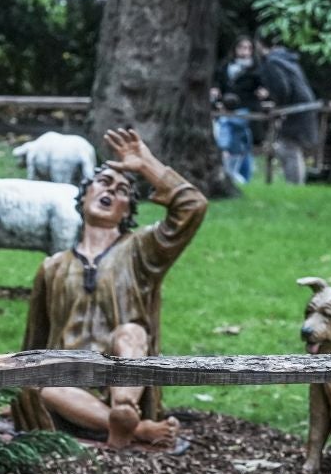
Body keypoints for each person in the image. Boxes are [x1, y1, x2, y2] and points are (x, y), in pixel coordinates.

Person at [12, 127, 206, 451]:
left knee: (131, 332)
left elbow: (193, 207)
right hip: (67, 388)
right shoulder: (52, 267)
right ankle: (137, 429)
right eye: (103, 183)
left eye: (122, 191)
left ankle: (125, 411)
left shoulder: (141, 249)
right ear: (84, 194)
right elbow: (33, 345)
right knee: (45, 381)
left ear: (127, 210)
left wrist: (146, 165)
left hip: (122, 378)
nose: (111, 191)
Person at [255, 37, 319, 185]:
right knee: (291, 147)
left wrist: (279, 107)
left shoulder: (272, 62)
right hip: (304, 106)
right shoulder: (286, 59)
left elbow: (282, 88)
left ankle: (295, 184)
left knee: (287, 147)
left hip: (296, 109)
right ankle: (297, 184)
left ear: (259, 44)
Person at [212, 35, 258, 186]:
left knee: (240, 143)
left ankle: (243, 176)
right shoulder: (226, 66)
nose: (245, 51)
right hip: (226, 107)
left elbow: (260, 85)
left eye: (248, 48)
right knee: (227, 137)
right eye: (241, 47)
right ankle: (233, 175)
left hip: (244, 109)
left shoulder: (255, 68)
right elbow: (218, 81)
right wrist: (216, 91)